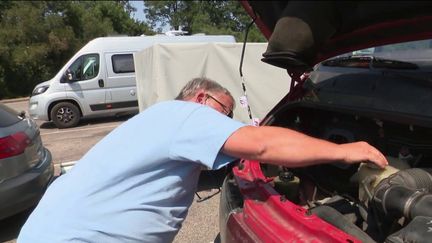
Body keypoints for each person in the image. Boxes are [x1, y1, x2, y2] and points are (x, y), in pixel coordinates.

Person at [18, 77, 388, 243]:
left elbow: (243, 156)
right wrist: (344, 150)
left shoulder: (158, 121)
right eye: (222, 112)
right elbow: (258, 145)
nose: (224, 122)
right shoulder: (184, 116)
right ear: (199, 99)